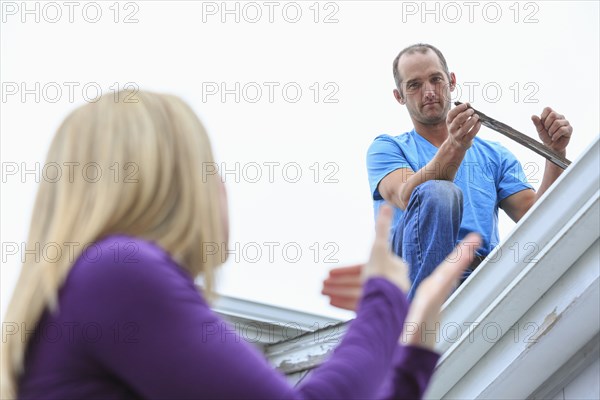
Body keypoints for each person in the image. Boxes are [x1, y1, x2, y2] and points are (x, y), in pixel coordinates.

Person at [1, 90, 481, 399]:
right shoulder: (119, 272)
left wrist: (415, 343)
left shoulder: (97, 286)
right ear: (170, 181)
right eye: (210, 166)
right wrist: (384, 298)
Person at [366, 43, 573, 299]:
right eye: (414, 85)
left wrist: (554, 154)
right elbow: (409, 195)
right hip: (409, 280)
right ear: (399, 96)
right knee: (438, 192)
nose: (429, 92)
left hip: (479, 281)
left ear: (451, 81)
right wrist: (455, 146)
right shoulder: (387, 148)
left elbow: (538, 217)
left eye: (435, 79)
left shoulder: (494, 155)